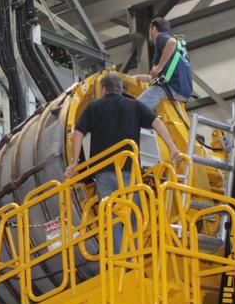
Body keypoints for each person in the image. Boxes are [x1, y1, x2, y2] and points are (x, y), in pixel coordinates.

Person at [67, 73, 183, 252]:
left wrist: (74, 162)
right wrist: (173, 147)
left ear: (103, 89)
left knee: (111, 218)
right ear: (120, 90)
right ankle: (134, 253)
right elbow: (157, 123)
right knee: (136, 215)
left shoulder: (93, 107)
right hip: (129, 172)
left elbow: (78, 133)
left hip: (103, 172)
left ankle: (120, 260)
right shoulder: (134, 105)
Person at [135, 18, 194, 113]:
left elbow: (171, 43)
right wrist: (136, 78)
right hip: (182, 92)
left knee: (133, 111)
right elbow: (160, 76)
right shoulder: (178, 51)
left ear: (153, 28)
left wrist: (159, 67)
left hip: (171, 88)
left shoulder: (161, 37)